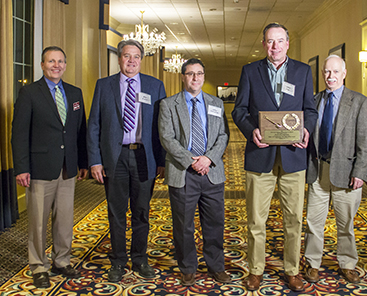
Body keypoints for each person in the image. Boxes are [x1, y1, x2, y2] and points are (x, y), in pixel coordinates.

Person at [232, 22, 318, 292]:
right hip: (260, 154)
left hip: (294, 156)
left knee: (293, 219)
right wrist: (251, 131)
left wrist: (306, 130)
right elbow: (239, 110)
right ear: (263, 44)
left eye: (279, 41)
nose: (275, 46)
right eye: (270, 41)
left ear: (288, 43)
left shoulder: (303, 71)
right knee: (256, 219)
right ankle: (256, 270)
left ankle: (292, 270)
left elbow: (310, 110)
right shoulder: (250, 71)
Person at [87, 39, 166, 282]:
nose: (131, 61)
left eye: (136, 57)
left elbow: (162, 127)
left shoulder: (155, 86)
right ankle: (118, 261)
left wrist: (162, 160)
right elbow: (94, 125)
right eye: (126, 56)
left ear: (141, 60)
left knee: (142, 211)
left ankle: (140, 259)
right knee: (116, 211)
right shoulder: (104, 85)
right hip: (115, 156)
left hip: (145, 156)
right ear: (119, 58)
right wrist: (95, 161)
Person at [11, 46, 88, 288]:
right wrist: (21, 167)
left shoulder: (75, 93)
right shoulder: (29, 92)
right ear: (42, 65)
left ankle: (61, 260)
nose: (56, 65)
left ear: (65, 65)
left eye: (60, 61)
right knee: (37, 220)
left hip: (68, 168)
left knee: (64, 219)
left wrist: (83, 162)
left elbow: (80, 131)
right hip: (39, 168)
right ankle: (38, 265)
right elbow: (19, 133)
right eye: (51, 61)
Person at [158, 58, 231, 286]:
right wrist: (192, 161)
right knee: (183, 225)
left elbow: (223, 136)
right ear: (183, 76)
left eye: (199, 73)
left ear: (204, 76)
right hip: (183, 173)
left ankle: (216, 266)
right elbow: (167, 138)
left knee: (215, 223)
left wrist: (208, 159)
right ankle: (188, 266)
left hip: (211, 172)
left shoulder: (216, 103)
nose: (195, 78)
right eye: (190, 74)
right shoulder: (169, 104)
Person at [304, 55, 367, 284]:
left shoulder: (359, 102)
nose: (330, 77)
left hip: (347, 172)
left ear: (344, 73)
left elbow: (365, 142)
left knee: (346, 224)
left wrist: (361, 172)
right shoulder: (313, 101)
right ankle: (313, 263)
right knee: (314, 222)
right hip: (318, 170)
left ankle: (347, 263)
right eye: (326, 72)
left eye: (334, 72)